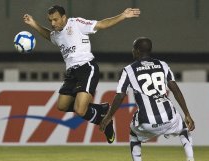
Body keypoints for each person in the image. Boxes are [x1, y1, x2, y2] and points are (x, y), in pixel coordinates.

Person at [23, 5, 140, 143]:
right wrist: (34, 24)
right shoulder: (56, 34)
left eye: (55, 19)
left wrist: (123, 16)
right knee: (62, 106)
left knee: (80, 110)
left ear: (64, 17)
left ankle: (105, 121)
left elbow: (101, 24)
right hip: (71, 73)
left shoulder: (76, 24)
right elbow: (50, 36)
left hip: (86, 68)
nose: (53, 23)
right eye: (50, 21)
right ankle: (101, 110)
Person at [100, 37, 200, 161]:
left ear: (138, 51)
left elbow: (120, 95)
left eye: (133, 48)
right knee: (184, 129)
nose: (132, 51)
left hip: (147, 122)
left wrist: (109, 116)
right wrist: (187, 114)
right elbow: (175, 89)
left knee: (134, 134)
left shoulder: (129, 70)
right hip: (169, 117)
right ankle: (190, 159)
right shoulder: (162, 65)